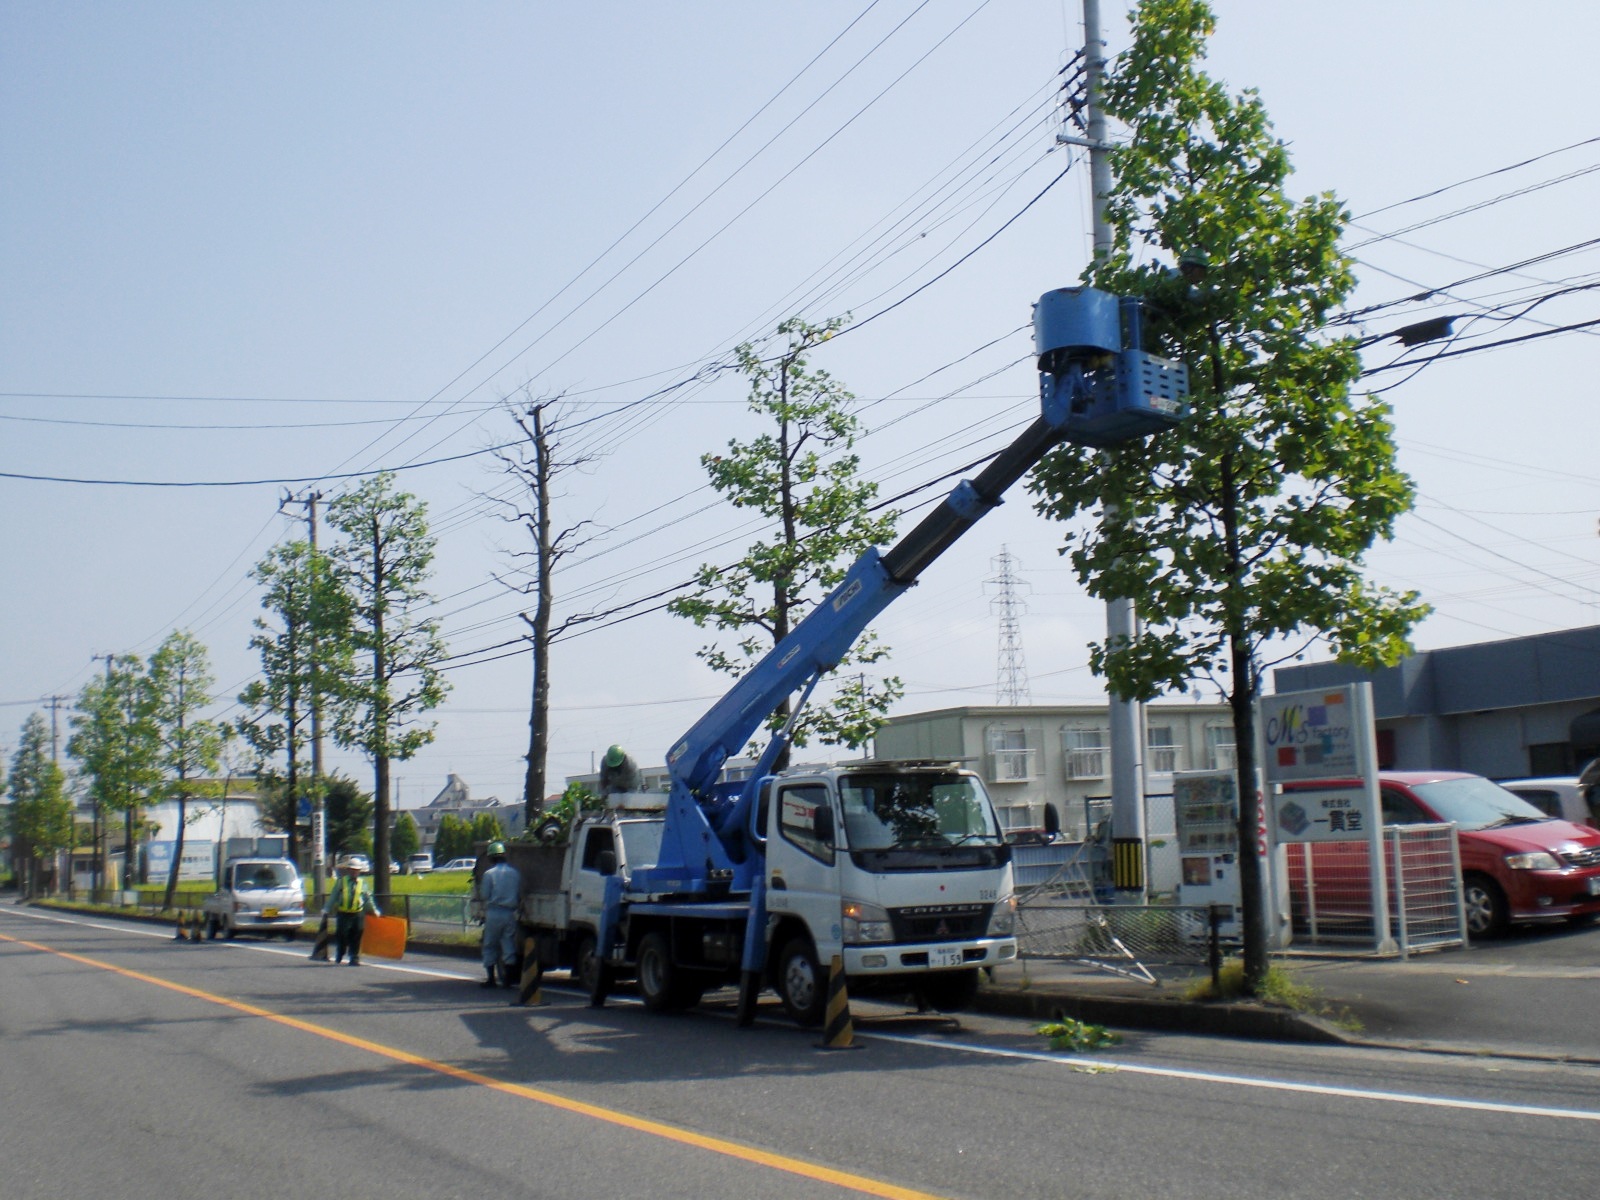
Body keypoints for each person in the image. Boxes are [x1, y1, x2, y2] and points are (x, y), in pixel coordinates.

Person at [473, 841, 523, 988]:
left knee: (490, 945)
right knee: (508, 944)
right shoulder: (515, 873)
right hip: (510, 913)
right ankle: (508, 980)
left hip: (494, 912)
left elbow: (485, 895)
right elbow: (519, 893)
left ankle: (491, 979)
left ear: (491, 858)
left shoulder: (489, 874)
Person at [323, 854, 380, 966]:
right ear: (348, 870)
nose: (354, 872)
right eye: (352, 870)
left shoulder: (363, 883)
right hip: (343, 913)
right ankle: (340, 952)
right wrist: (326, 908)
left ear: (359, 871)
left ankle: (354, 957)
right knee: (342, 935)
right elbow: (334, 895)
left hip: (358, 913)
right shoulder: (341, 881)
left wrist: (374, 910)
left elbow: (368, 898)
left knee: (357, 934)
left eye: (357, 870)